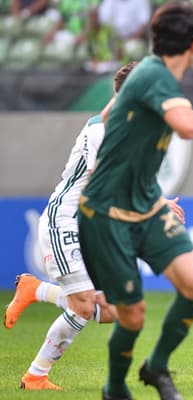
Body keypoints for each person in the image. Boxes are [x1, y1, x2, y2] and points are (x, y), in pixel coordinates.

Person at [76, 2, 193, 400]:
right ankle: (114, 389)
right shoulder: (155, 77)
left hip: (145, 204)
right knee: (132, 315)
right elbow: (188, 127)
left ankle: (156, 366)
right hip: (106, 213)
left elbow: (110, 115)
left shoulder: (148, 74)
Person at [2, 62, 152, 391]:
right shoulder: (100, 129)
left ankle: (35, 290)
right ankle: (35, 375)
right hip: (65, 219)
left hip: (89, 225)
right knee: (83, 305)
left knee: (113, 311)